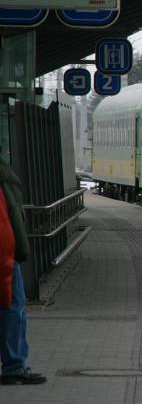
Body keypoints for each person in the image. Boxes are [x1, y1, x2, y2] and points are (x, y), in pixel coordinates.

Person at [0, 156, 46, 385]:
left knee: (14, 308)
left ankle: (14, 364)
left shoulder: (4, 175)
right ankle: (14, 366)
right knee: (12, 308)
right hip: (6, 255)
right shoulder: (3, 175)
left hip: (9, 253)